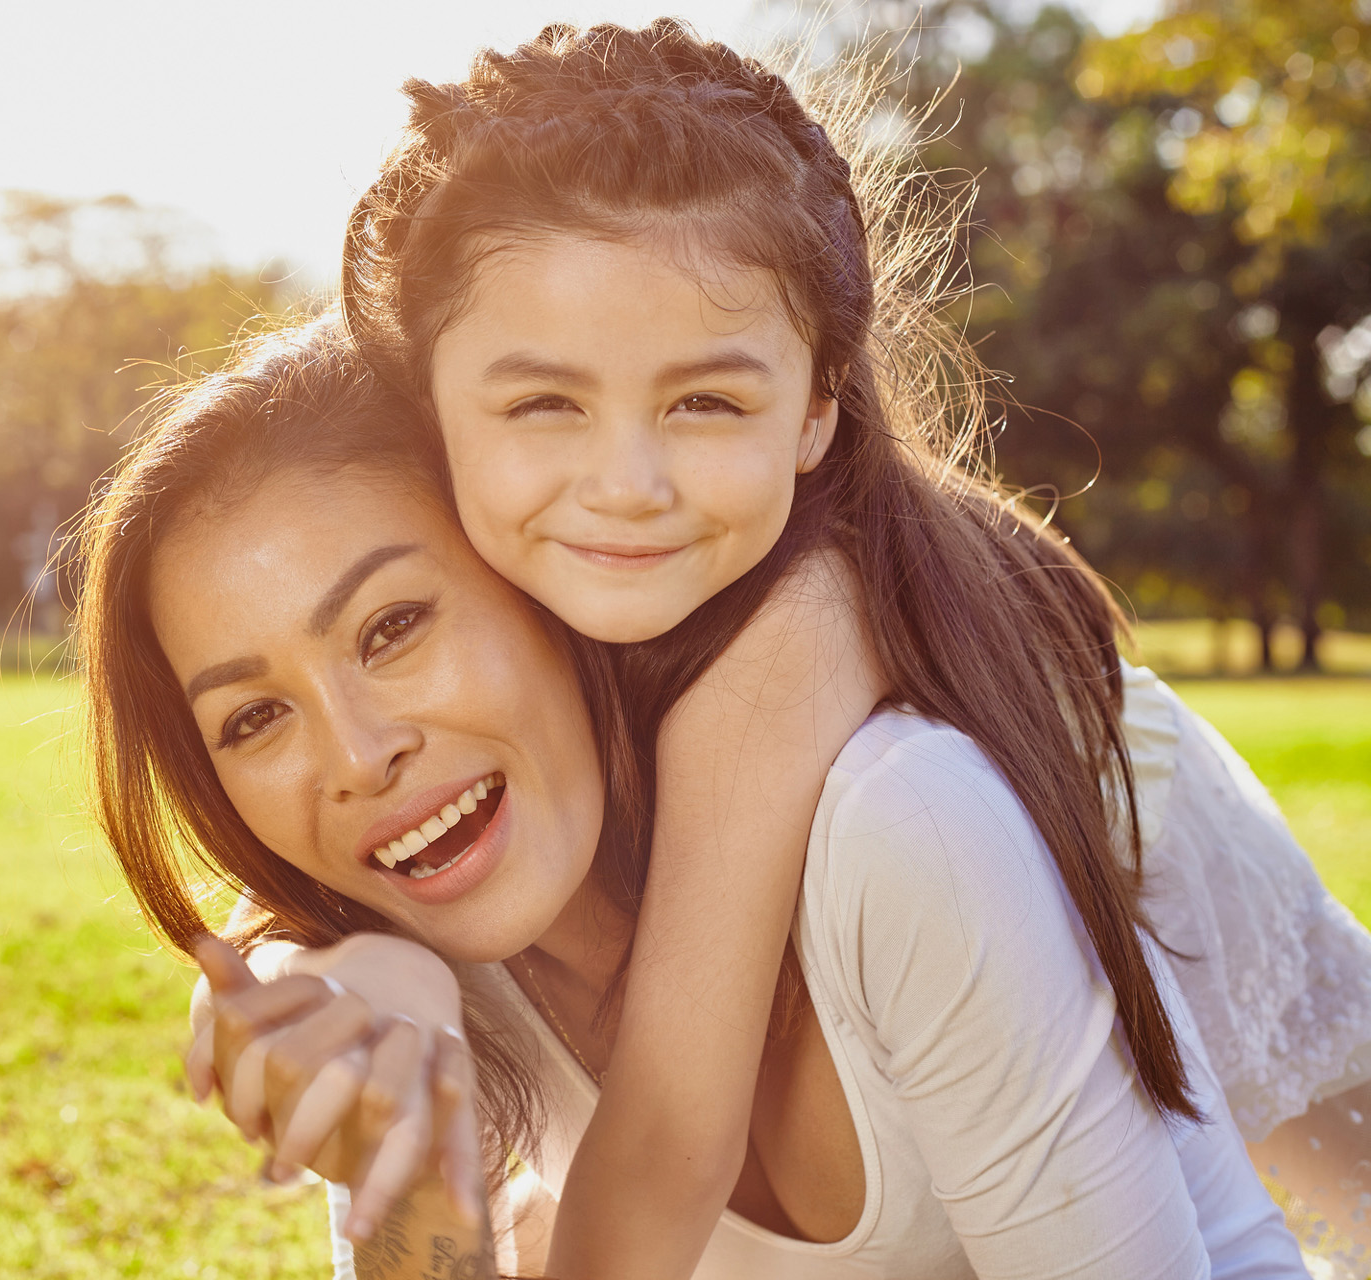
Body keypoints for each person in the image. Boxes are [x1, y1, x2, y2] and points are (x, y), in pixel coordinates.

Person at [190, 20, 1371, 1279]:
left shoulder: (799, 649)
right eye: (545, 402)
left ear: (819, 406)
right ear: (431, 407)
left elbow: (671, 1143)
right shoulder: (509, 714)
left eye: (706, 400)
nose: (628, 486)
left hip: (1147, 858)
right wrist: (292, 969)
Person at [81, 317, 1314, 1277]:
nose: (356, 755)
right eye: (252, 716)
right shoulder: (397, 979)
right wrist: (413, 1166)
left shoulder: (894, 820)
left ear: (536, 565)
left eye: (394, 623)